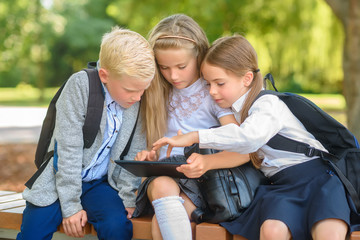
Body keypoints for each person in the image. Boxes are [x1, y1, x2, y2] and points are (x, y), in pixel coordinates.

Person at [153, 34, 360, 240]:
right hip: (280, 186)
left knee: (328, 232)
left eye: (219, 83)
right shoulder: (232, 112)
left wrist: (194, 136)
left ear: (247, 78)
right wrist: (206, 160)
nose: (212, 91)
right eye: (208, 84)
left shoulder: (267, 105)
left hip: (318, 179)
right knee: (272, 231)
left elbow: (248, 139)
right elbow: (242, 149)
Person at [17, 27, 155, 240]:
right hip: (59, 177)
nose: (137, 97)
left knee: (117, 227)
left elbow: (133, 152)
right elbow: (68, 150)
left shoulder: (135, 97)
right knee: (34, 230)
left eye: (143, 90)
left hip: (99, 183)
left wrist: (127, 197)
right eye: (130, 90)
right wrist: (71, 206)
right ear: (104, 75)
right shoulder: (80, 86)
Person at [132, 14, 248, 240]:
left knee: (161, 221)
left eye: (181, 66)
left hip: (202, 177)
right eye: (164, 67)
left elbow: (240, 141)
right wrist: (150, 154)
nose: (173, 75)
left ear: (200, 56)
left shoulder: (212, 92)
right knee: (163, 187)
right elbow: (156, 144)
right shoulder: (158, 92)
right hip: (163, 175)